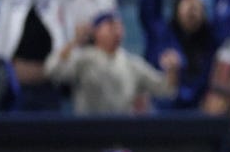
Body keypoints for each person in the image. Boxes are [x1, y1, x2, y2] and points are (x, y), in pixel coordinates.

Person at [45, 11, 180, 115]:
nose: (117, 30)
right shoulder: (84, 59)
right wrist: (74, 42)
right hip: (88, 130)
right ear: (96, 31)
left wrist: (172, 70)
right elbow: (52, 70)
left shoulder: (131, 63)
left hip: (121, 130)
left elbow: (165, 89)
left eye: (119, 26)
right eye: (110, 25)